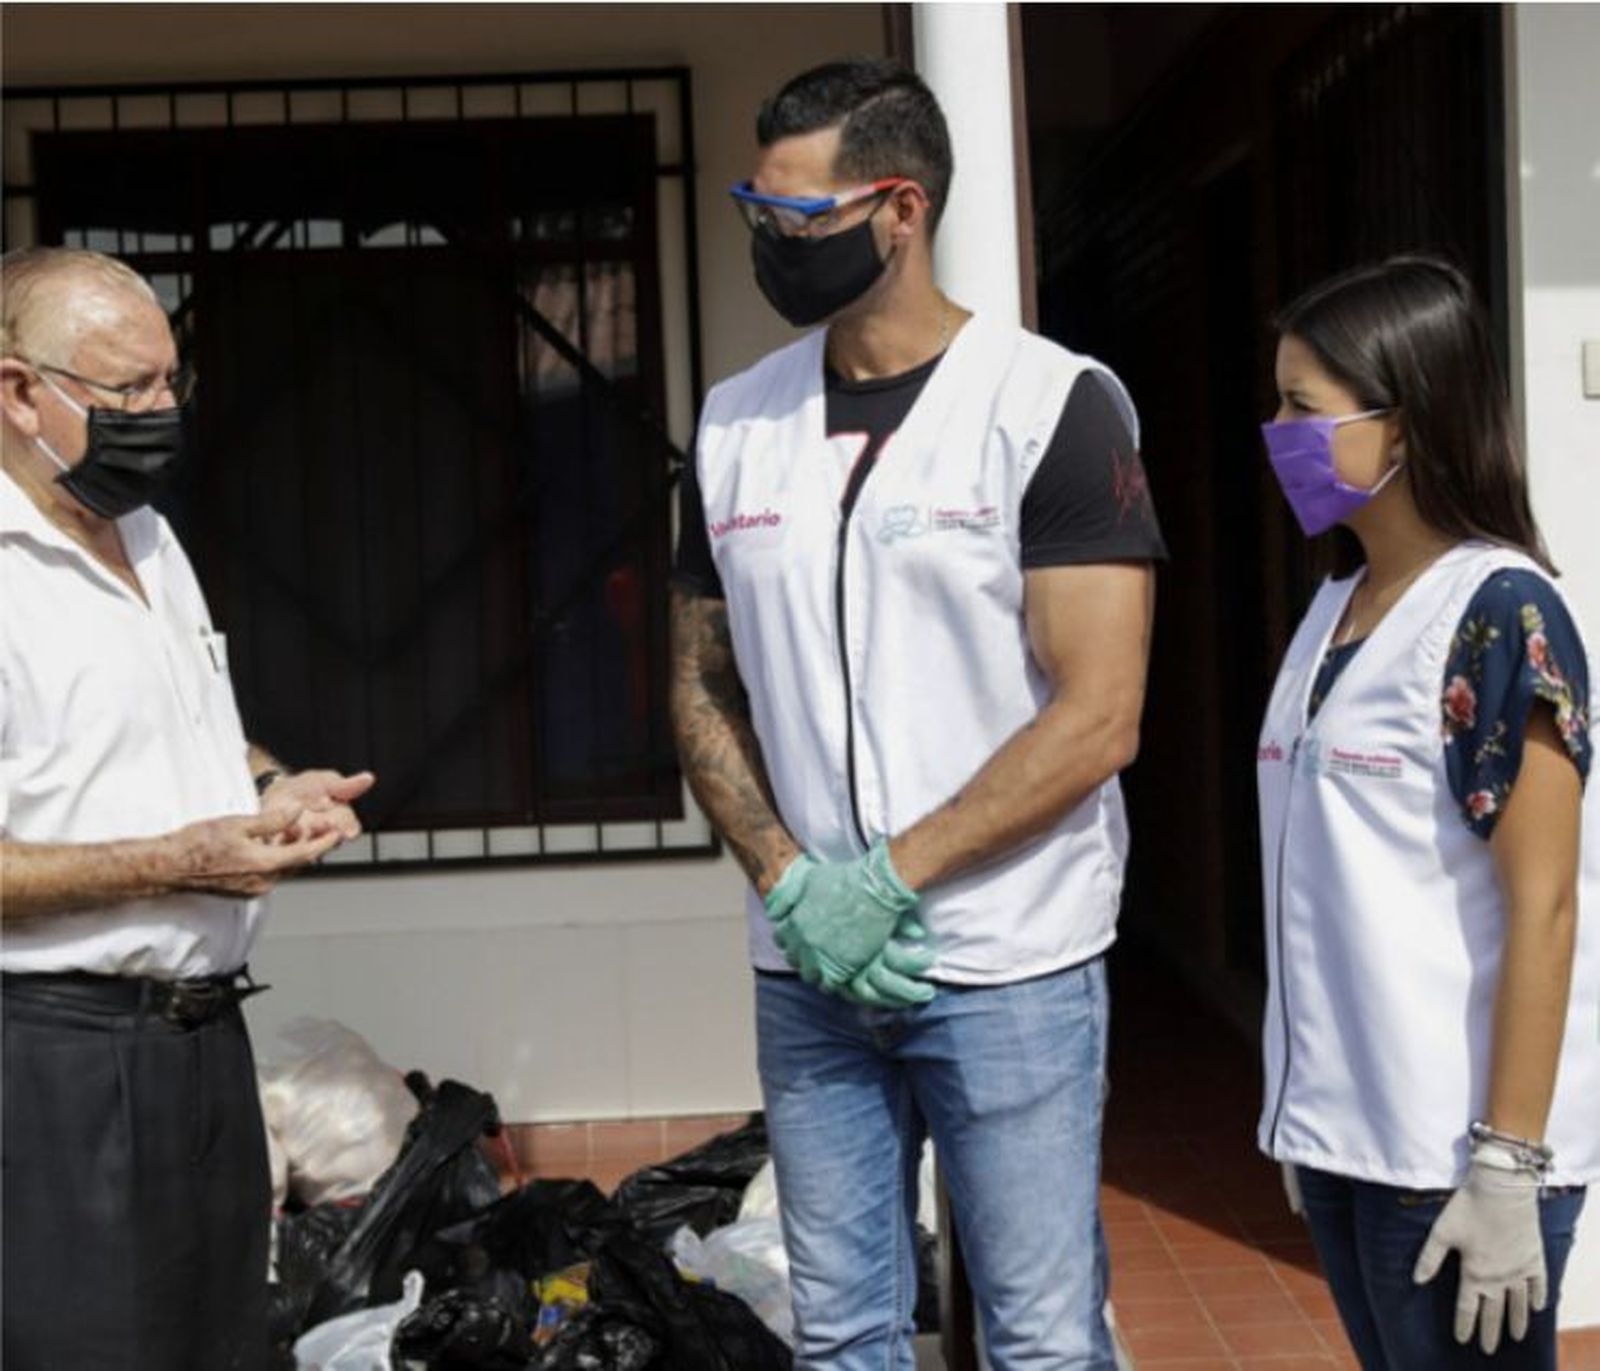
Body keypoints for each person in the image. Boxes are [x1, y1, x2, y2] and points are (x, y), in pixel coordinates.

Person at [670, 60, 1166, 1369]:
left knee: (1043, 1337)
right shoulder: (736, 426)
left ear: (900, 209)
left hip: (1010, 959)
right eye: (753, 208)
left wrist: (889, 876)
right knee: (841, 1335)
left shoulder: (1048, 407)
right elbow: (699, 681)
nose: (769, 241)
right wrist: (792, 885)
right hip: (806, 974)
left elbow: (1101, 711)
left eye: (798, 216)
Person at [0, 247, 375, 1370]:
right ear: (20, 392)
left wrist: (265, 788)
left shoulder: (149, 537)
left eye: (171, 382)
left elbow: (184, 727)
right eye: (129, 392)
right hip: (55, 1063)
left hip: (205, 1045)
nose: (163, 413)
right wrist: (172, 862)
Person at [1256, 255, 1598, 1368]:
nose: (1278, 432)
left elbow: (1543, 907)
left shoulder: (1500, 612)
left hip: (1453, 1151)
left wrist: (1506, 1166)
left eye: (1303, 408)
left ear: (1406, 422)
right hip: (1349, 1135)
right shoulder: (1336, 605)